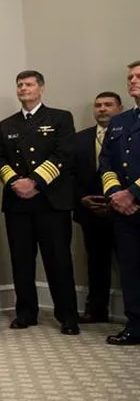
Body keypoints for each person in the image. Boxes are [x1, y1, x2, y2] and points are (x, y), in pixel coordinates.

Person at [0, 70, 79, 335]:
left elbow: (64, 155)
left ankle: (67, 316)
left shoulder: (60, 118)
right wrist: (15, 183)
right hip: (18, 203)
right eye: (19, 85)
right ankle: (26, 313)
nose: (23, 89)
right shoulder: (7, 124)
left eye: (29, 84)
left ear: (41, 88)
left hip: (50, 202)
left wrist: (35, 182)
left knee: (59, 262)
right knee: (22, 261)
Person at [99, 61, 140, 345]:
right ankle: (136, 325)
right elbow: (107, 162)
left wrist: (133, 193)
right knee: (131, 270)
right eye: (130, 77)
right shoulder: (120, 120)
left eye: (138, 76)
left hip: (134, 200)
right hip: (124, 210)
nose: (132, 81)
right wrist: (116, 192)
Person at [73, 91, 122, 323]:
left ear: (119, 108)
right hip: (90, 211)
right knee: (96, 263)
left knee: (130, 263)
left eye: (108, 105)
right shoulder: (80, 138)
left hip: (125, 209)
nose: (102, 109)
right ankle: (97, 309)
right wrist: (81, 199)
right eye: (98, 105)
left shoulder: (129, 135)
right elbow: (70, 175)